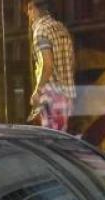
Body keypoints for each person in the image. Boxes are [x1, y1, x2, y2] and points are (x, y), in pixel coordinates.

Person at [25, 0, 76, 132]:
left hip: (51, 96)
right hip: (67, 95)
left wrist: (38, 91)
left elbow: (47, 64)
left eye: (28, 12)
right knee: (59, 141)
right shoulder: (61, 28)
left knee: (49, 144)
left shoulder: (41, 31)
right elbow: (72, 61)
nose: (28, 17)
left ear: (33, 10)